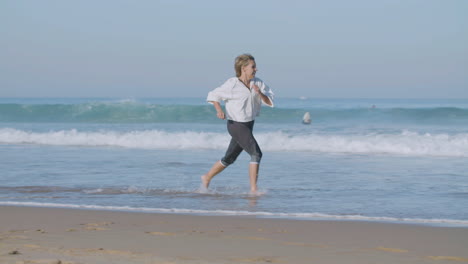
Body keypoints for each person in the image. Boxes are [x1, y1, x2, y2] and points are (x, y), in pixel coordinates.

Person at [201, 54, 274, 193]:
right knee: (256, 154)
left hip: (248, 125)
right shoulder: (232, 84)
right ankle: (253, 190)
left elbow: (269, 100)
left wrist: (260, 94)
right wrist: (218, 110)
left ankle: (207, 177)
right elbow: (213, 95)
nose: (256, 69)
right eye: (253, 67)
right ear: (243, 68)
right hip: (236, 125)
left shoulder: (257, 83)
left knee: (229, 158)